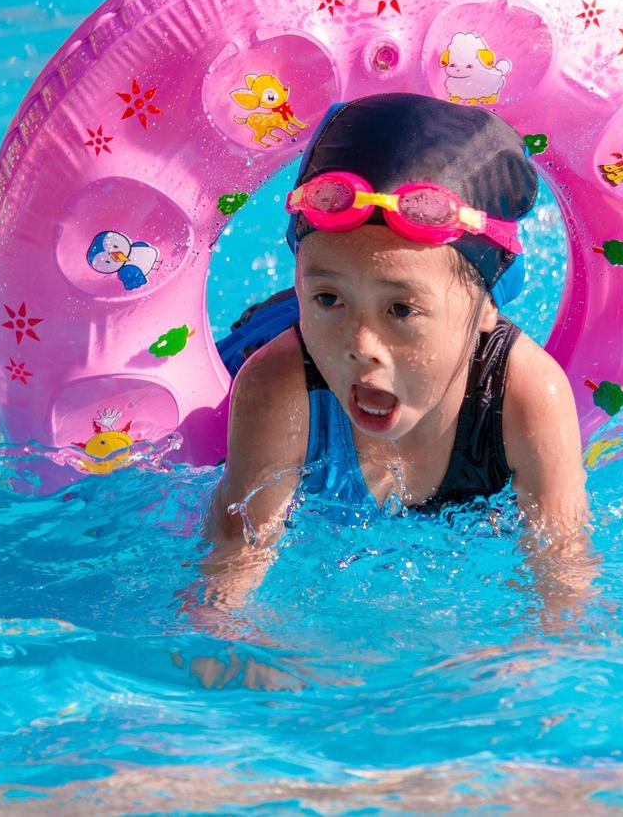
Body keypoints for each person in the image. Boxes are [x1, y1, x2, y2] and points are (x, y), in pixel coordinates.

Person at [193, 92, 593, 632]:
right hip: (269, 332)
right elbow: (231, 568)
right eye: (327, 298)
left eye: (401, 310)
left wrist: (528, 665)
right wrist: (238, 653)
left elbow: (564, 575)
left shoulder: (525, 395)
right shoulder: (277, 385)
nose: (361, 344)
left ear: (485, 309)